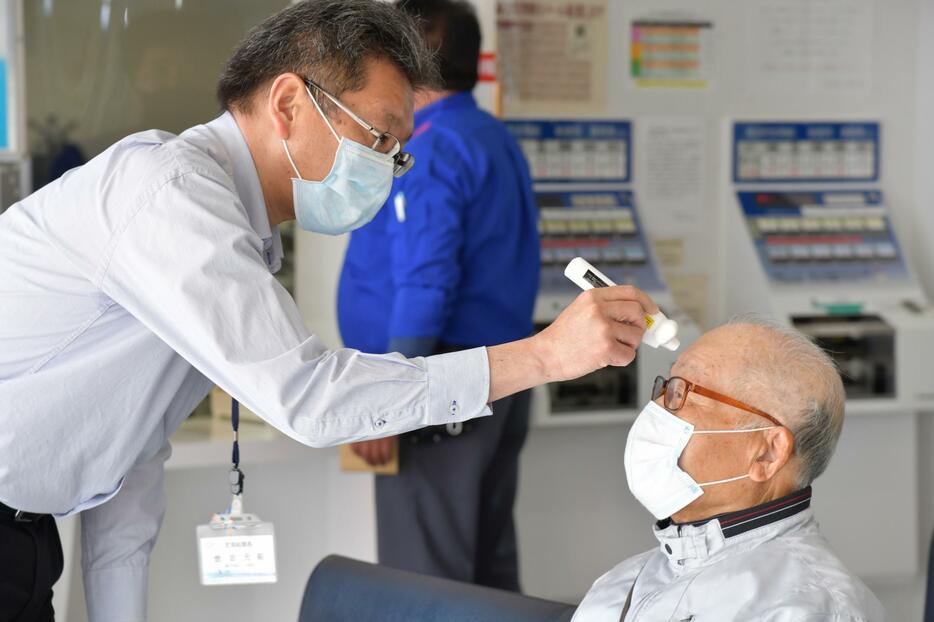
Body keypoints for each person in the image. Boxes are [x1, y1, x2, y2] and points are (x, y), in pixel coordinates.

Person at [0, 2, 660, 620]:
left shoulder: (225, 227)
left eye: (397, 152)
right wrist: (544, 354)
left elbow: (131, 465)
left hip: (28, 542)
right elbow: (309, 398)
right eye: (377, 140)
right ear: (288, 102)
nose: (387, 170)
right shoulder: (170, 198)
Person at [338, 0, 538, 591]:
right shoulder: (493, 139)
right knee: (487, 568)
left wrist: (392, 396)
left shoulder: (427, 149)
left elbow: (427, 280)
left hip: (437, 387)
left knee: (425, 580)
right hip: (500, 378)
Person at [571, 317, 884, 621]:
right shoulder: (620, 584)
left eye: (685, 393)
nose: (657, 409)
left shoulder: (809, 608)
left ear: (767, 454)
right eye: (667, 387)